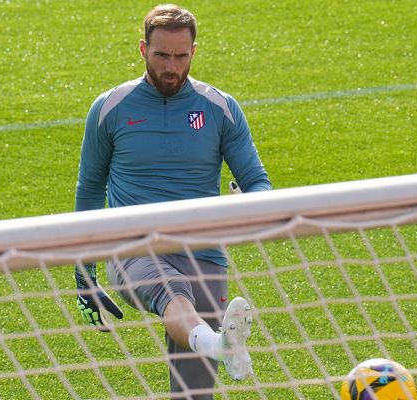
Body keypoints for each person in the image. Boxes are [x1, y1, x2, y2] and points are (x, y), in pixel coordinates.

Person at [73, 4, 271, 398]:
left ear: (194, 52)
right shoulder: (110, 108)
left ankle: (214, 344)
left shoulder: (221, 109)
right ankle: (217, 343)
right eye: (162, 55)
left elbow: (258, 183)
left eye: (181, 56)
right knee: (172, 288)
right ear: (143, 49)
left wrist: (247, 206)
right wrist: (85, 273)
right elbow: (90, 191)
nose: (171, 67)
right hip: (134, 246)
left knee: (194, 392)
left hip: (204, 254)